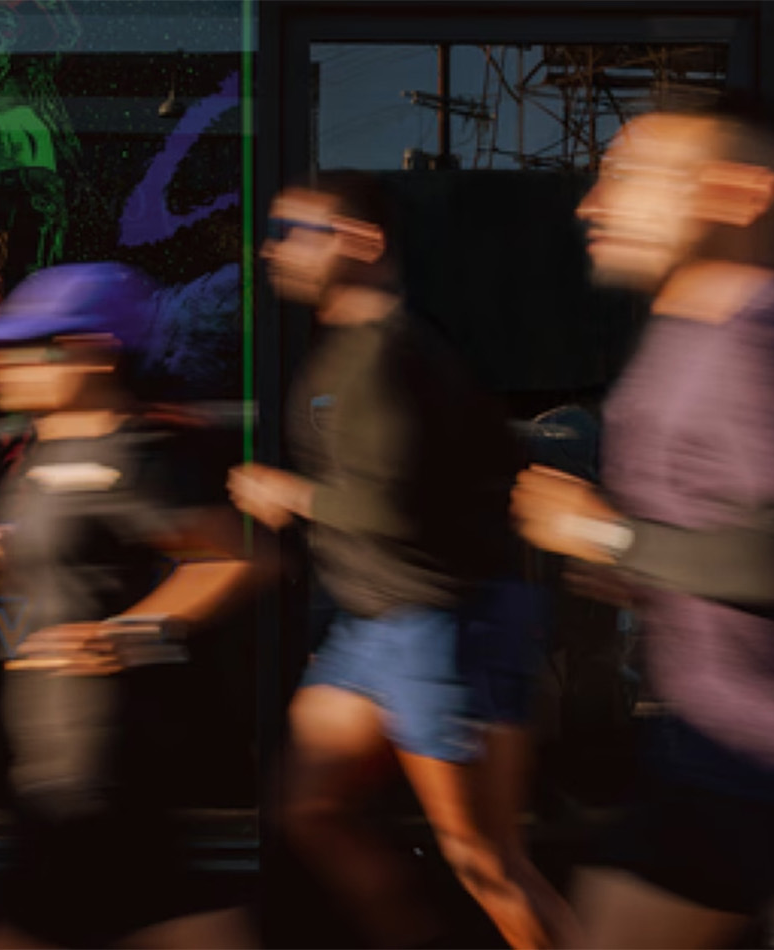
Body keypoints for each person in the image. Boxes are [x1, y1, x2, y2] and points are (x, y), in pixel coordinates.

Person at [511, 100, 774, 948]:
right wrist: (639, 565)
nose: (591, 203)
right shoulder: (689, 329)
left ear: (737, 193)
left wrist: (605, 536)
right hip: (710, 747)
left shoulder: (753, 340)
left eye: (628, 177)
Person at [226, 174, 575, 949]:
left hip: (440, 623)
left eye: (294, 229)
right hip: (374, 629)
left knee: (486, 859)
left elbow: (393, 509)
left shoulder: (395, 356)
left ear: (361, 242)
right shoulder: (350, 346)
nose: (271, 246)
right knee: (310, 810)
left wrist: (291, 493)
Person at [0, 262, 258, 949]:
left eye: (26, 343)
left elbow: (233, 557)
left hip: (104, 753)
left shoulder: (134, 452)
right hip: (51, 748)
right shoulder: (47, 449)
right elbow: (80, 564)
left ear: (90, 350)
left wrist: (133, 630)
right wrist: (5, 561)